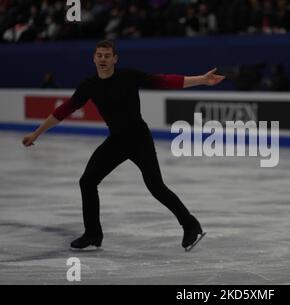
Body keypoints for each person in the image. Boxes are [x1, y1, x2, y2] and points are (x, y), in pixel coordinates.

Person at [22, 40, 225, 251]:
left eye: (107, 55)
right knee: (87, 182)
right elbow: (64, 110)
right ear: (94, 58)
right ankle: (93, 234)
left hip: (138, 139)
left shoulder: (129, 76)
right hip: (116, 141)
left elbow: (164, 81)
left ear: (115, 59)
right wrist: (37, 133)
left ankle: (191, 225)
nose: (103, 59)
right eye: (99, 55)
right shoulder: (89, 85)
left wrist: (201, 79)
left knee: (156, 187)